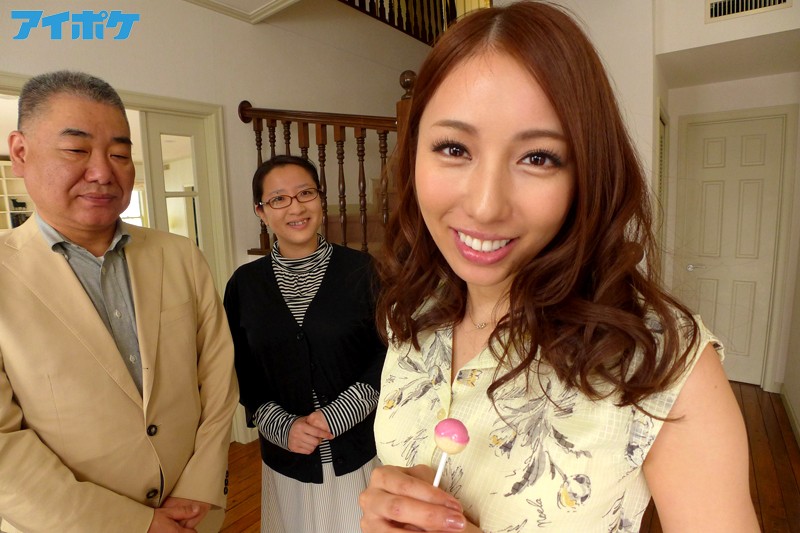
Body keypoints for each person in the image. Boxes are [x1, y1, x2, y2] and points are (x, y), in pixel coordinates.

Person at [358, 3, 760, 532]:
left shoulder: (661, 364)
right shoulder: (415, 310)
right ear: (414, 155)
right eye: (454, 148)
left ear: (586, 172)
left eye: (538, 157)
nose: (485, 206)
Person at [0, 71, 239, 533]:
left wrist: (200, 485)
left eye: (120, 154)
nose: (102, 172)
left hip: (192, 515)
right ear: (21, 153)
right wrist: (136, 524)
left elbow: (217, 377)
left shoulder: (179, 255)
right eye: (77, 150)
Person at [223, 155, 387, 532]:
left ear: (320, 199)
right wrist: (281, 426)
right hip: (288, 458)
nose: (295, 208)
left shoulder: (364, 271)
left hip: (357, 451)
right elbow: (238, 366)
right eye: (279, 199)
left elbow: (389, 353)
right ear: (261, 211)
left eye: (305, 193)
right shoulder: (245, 285)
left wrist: (340, 414)